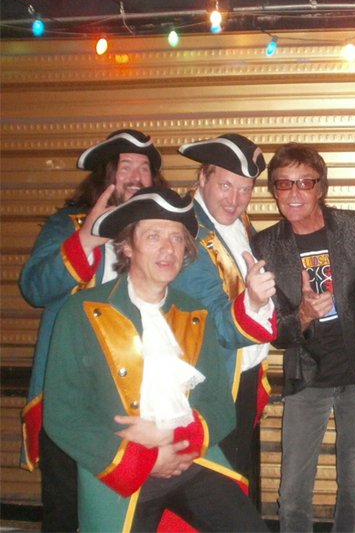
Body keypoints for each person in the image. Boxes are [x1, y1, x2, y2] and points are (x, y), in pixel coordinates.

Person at [43, 187, 269, 533]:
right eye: (153, 236)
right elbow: (62, 414)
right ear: (127, 247)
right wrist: (144, 459)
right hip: (120, 471)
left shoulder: (194, 311)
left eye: (177, 238)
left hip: (191, 460)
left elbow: (219, 404)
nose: (168, 249)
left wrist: (180, 443)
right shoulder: (82, 311)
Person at [19, 128, 167, 532]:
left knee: (131, 510)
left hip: (139, 399)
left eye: (144, 168)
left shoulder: (163, 233)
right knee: (67, 510)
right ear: (106, 176)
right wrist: (85, 239)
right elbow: (34, 288)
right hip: (73, 398)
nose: (136, 176)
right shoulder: (67, 225)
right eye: (126, 167)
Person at [251, 142, 355, 532]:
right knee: (293, 490)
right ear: (274, 191)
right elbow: (273, 329)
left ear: (320, 187)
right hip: (307, 379)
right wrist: (303, 315)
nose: (294, 193)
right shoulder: (264, 246)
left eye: (304, 182)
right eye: (283, 184)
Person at [173, 133, 276, 504]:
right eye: (225, 186)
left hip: (243, 378)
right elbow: (215, 321)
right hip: (210, 386)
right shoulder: (185, 233)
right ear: (202, 178)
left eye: (245, 189)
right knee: (218, 491)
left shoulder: (239, 224)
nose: (234, 200)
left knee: (240, 482)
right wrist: (252, 300)